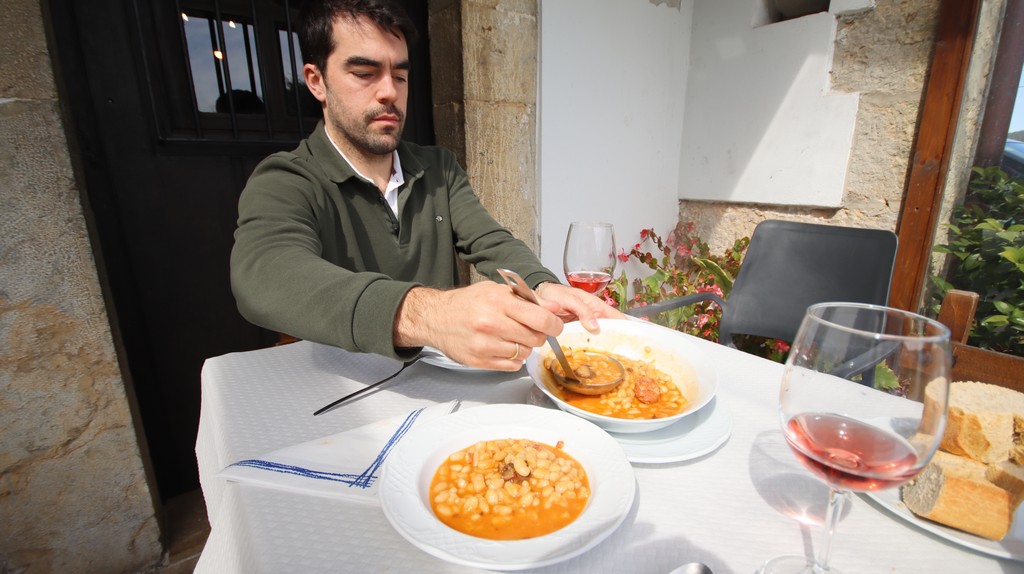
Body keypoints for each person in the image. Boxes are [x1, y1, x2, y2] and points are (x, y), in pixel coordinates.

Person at [230, 0, 621, 371]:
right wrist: (428, 315)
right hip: (343, 391)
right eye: (364, 73)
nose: (389, 92)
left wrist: (543, 286)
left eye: (400, 75)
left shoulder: (437, 168)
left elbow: (489, 240)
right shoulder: (287, 179)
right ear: (317, 81)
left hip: (441, 381)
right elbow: (263, 275)